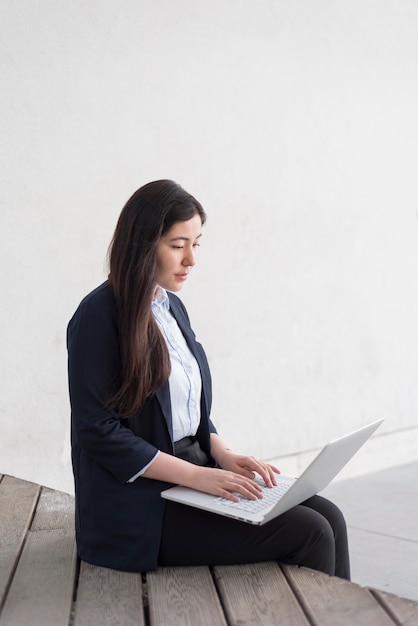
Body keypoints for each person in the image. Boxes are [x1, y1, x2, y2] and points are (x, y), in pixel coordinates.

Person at [67, 180, 350, 578]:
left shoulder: (171, 308)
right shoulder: (98, 316)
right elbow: (96, 430)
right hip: (138, 507)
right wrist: (199, 477)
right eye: (177, 245)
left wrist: (222, 454)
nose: (191, 259)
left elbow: (187, 412)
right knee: (312, 532)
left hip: (191, 476)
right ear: (143, 244)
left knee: (329, 515)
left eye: (196, 244)